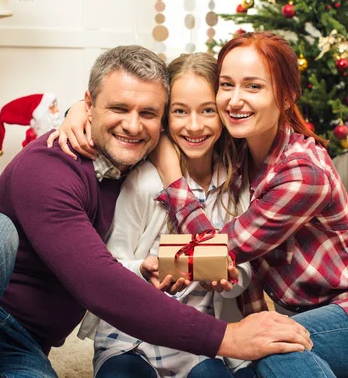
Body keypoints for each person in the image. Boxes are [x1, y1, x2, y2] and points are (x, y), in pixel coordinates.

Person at [0, 45, 310, 378]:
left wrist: (148, 269)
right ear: (89, 105)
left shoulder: (140, 166)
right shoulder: (48, 166)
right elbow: (98, 283)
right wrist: (228, 338)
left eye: (148, 113)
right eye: (118, 109)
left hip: (18, 342)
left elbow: (188, 101)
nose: (132, 124)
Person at [57, 34, 348, 378]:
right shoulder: (240, 154)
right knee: (258, 349)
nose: (234, 99)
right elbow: (154, 108)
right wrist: (80, 111)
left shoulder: (302, 172)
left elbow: (216, 250)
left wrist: (171, 174)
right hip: (309, 318)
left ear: (288, 94)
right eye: (227, 86)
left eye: (254, 86)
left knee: (267, 348)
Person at [89, 53, 255, 378]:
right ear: (166, 117)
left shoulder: (237, 184)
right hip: (131, 334)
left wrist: (229, 279)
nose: (194, 126)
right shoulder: (146, 182)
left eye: (208, 110)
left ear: (223, 113)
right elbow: (110, 262)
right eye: (180, 111)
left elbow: (244, 267)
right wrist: (143, 269)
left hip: (201, 336)